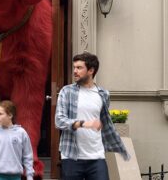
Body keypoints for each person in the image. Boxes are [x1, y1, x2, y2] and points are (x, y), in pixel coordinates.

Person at [55, 52, 130, 180]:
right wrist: (83, 123)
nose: (75, 71)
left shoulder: (103, 94)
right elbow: (59, 121)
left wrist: (119, 147)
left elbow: (106, 123)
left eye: (79, 68)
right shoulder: (66, 91)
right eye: (74, 67)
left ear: (91, 70)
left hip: (97, 157)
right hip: (72, 157)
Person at [0, 100, 34, 180]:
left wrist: (29, 176)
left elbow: (27, 156)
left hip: (15, 176)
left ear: (10, 115)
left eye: (0, 114)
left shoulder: (21, 133)